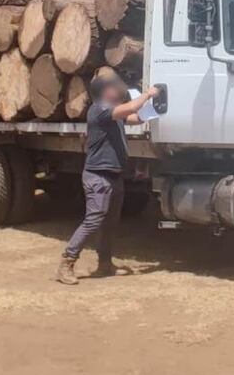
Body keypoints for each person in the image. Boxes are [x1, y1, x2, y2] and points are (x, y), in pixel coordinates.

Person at [56, 75, 159, 285]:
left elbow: (136, 117)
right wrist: (148, 94)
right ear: (104, 92)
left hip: (113, 175)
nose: (118, 89)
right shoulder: (100, 109)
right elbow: (130, 109)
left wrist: (155, 107)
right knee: (94, 219)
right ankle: (66, 263)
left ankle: (105, 264)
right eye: (113, 88)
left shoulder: (113, 112)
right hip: (98, 176)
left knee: (109, 223)